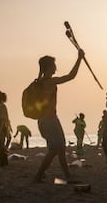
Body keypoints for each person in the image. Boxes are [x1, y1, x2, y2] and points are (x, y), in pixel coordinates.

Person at [33, 49, 85, 183]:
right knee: (55, 149)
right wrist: (79, 59)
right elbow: (71, 76)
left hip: (45, 120)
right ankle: (38, 175)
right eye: (54, 65)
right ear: (49, 67)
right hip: (49, 120)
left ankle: (67, 176)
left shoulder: (39, 82)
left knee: (60, 148)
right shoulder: (49, 82)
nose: (56, 67)